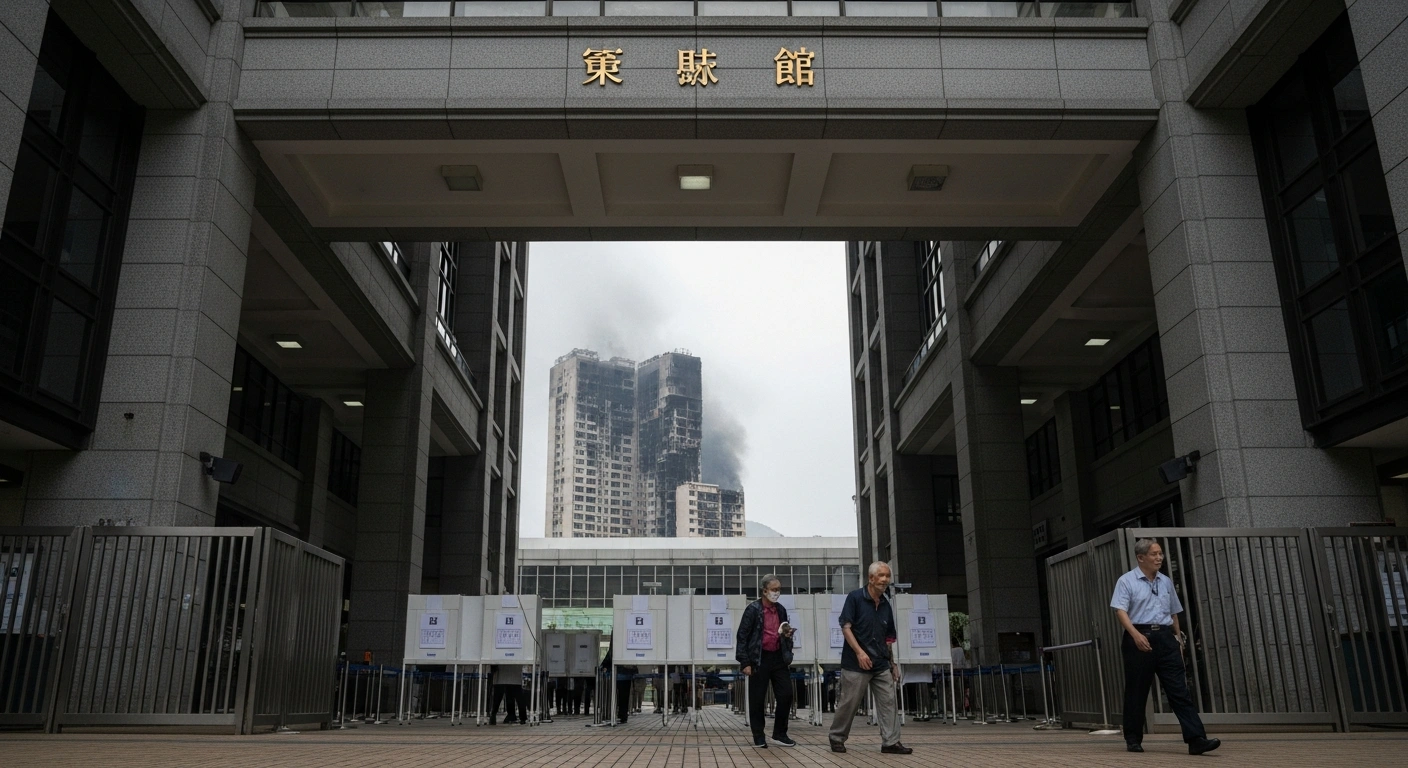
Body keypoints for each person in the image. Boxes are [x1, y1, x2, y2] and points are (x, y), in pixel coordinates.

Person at [1111, 538, 1221, 756]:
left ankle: (1196, 739)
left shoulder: (1166, 581)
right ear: (1141, 558)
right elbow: (1120, 611)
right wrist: (1136, 636)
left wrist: (1178, 639)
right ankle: (1133, 738)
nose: (1159, 557)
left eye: (1160, 553)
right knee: (1137, 691)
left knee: (1179, 690)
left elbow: (1173, 613)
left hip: (1165, 638)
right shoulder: (1126, 581)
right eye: (1154, 554)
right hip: (1139, 636)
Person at [828, 561, 912, 755]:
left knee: (889, 701)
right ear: (871, 578)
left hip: (881, 663)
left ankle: (891, 742)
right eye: (881, 576)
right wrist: (859, 652)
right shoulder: (855, 598)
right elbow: (846, 627)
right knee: (849, 702)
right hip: (856, 662)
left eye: (888, 576)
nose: (885, 580)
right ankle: (836, 737)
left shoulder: (885, 604)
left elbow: (888, 639)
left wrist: (893, 664)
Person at [736, 574, 798, 749]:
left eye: (779, 589)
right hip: (759, 658)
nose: (776, 593)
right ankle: (758, 735)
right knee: (757, 698)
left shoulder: (781, 610)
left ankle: (780, 733)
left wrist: (787, 635)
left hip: (778, 657)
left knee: (786, 694)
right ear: (764, 590)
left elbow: (784, 630)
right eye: (773, 589)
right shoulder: (753, 609)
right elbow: (742, 636)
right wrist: (745, 662)